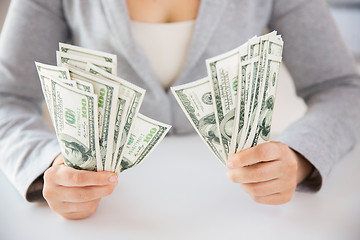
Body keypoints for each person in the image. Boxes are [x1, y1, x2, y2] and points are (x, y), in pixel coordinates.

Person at [0, 0, 359, 220]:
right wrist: (47, 170)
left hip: (239, 212)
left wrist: (299, 159)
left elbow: (342, 88)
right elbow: (7, 98)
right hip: (110, 214)